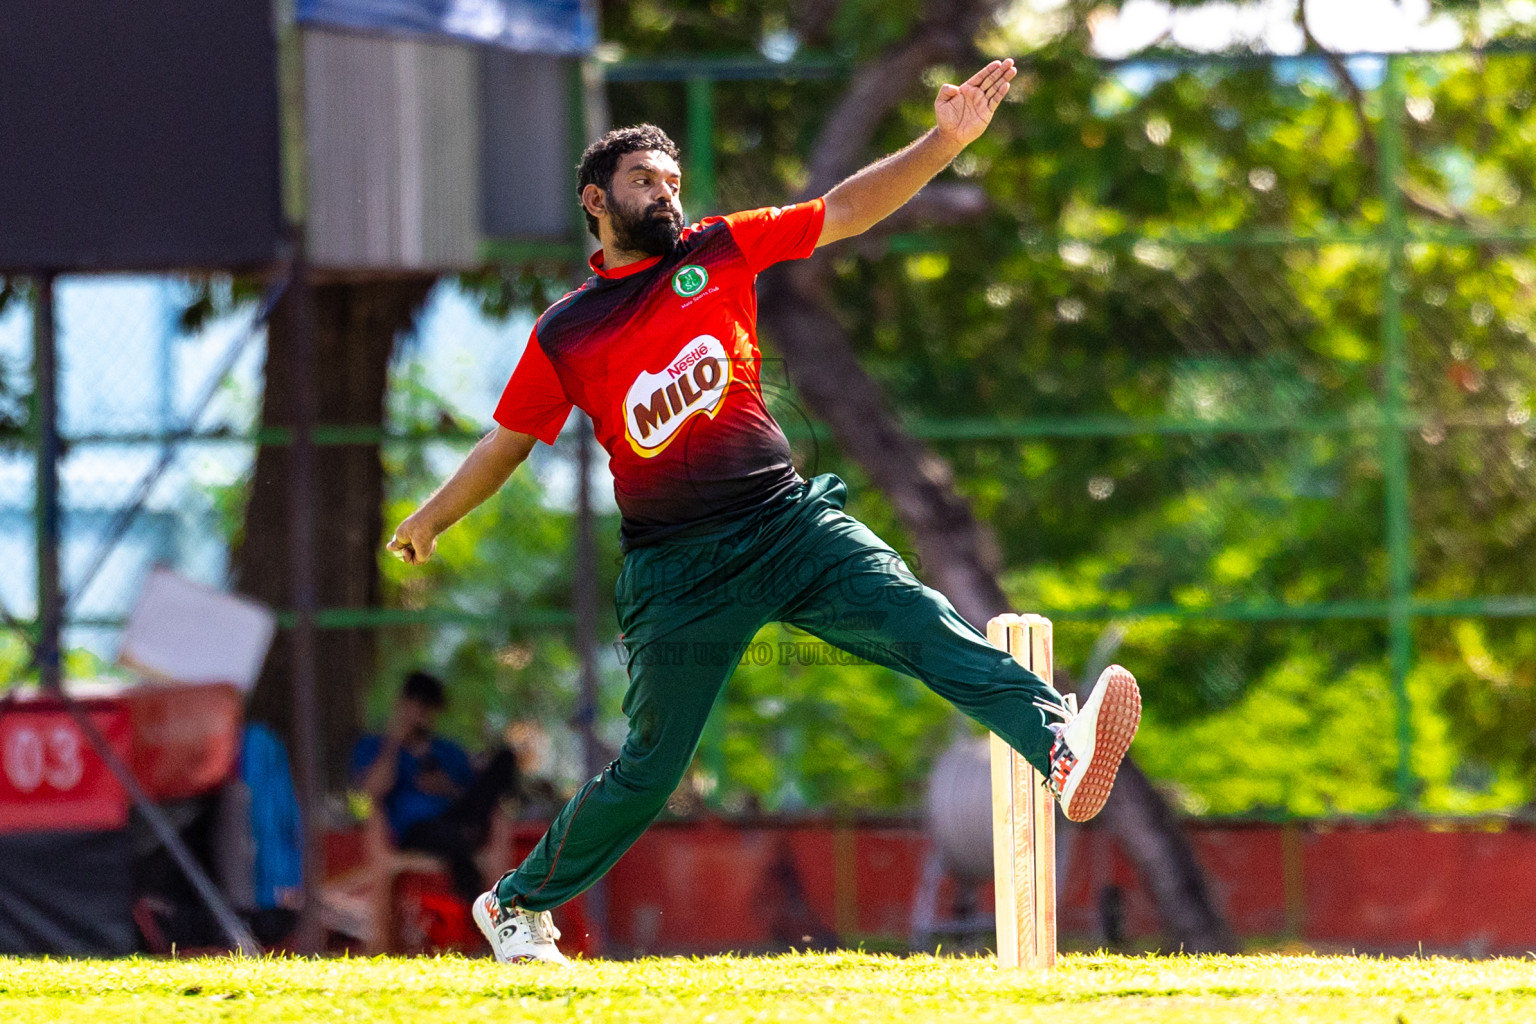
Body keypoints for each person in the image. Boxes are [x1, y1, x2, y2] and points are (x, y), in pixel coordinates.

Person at [387, 58, 1141, 964]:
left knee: (918, 619)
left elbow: (846, 209)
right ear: (596, 200)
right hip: (676, 569)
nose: (664, 193)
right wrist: (432, 517)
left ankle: (1056, 744)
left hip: (786, 525)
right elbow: (504, 443)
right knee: (651, 769)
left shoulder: (721, 247)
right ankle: (516, 906)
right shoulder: (568, 331)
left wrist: (944, 142)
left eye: (672, 179)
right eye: (642, 181)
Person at [350, 671, 519, 902]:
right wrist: (394, 742)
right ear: (403, 703)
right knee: (455, 844)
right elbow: (372, 791)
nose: (421, 712)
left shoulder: (448, 750)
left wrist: (446, 787)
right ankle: (482, 914)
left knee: (505, 759)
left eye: (428, 706)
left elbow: (475, 795)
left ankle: (465, 836)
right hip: (416, 829)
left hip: (458, 817)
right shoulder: (375, 746)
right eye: (416, 703)